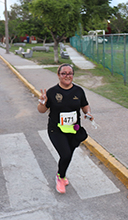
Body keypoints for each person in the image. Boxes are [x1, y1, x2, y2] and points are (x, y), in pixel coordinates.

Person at [38, 63, 94, 194]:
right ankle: (60, 177)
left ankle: (62, 176)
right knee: (66, 154)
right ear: (58, 75)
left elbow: (85, 105)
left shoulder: (79, 91)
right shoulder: (52, 92)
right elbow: (41, 111)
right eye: (64, 73)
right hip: (56, 130)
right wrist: (42, 101)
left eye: (70, 73)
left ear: (73, 75)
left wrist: (88, 113)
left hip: (74, 130)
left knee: (68, 155)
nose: (67, 76)